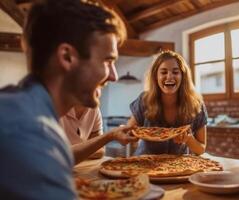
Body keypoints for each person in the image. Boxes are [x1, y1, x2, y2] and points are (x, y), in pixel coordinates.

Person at [0, 0, 136, 198]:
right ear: (67, 57)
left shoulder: (21, 109)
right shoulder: (31, 134)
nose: (114, 76)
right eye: (108, 61)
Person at [127, 50, 208, 155]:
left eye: (175, 72)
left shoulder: (196, 105)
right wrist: (130, 135)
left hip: (177, 167)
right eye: (163, 72)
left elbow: (201, 149)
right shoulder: (144, 100)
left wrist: (188, 139)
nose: (169, 77)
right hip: (145, 165)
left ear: (183, 76)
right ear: (155, 77)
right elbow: (129, 134)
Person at [60, 106, 137, 164]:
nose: (98, 93)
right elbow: (58, 156)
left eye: (101, 86)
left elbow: (100, 151)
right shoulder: (53, 106)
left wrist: (78, 151)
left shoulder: (94, 109)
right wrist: (111, 135)